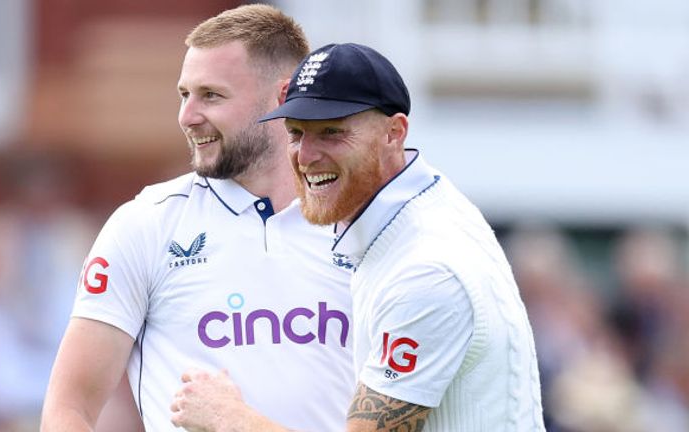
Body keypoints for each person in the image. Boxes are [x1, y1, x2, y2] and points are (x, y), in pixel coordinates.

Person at [171, 43, 546, 431]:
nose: (306, 156)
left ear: (394, 132)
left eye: (331, 132)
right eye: (296, 133)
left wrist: (229, 418)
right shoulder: (421, 205)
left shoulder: (425, 269)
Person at [41, 6, 355, 431]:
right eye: (184, 94)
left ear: (283, 98)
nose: (187, 117)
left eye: (211, 95)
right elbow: (69, 408)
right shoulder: (145, 226)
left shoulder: (362, 225)